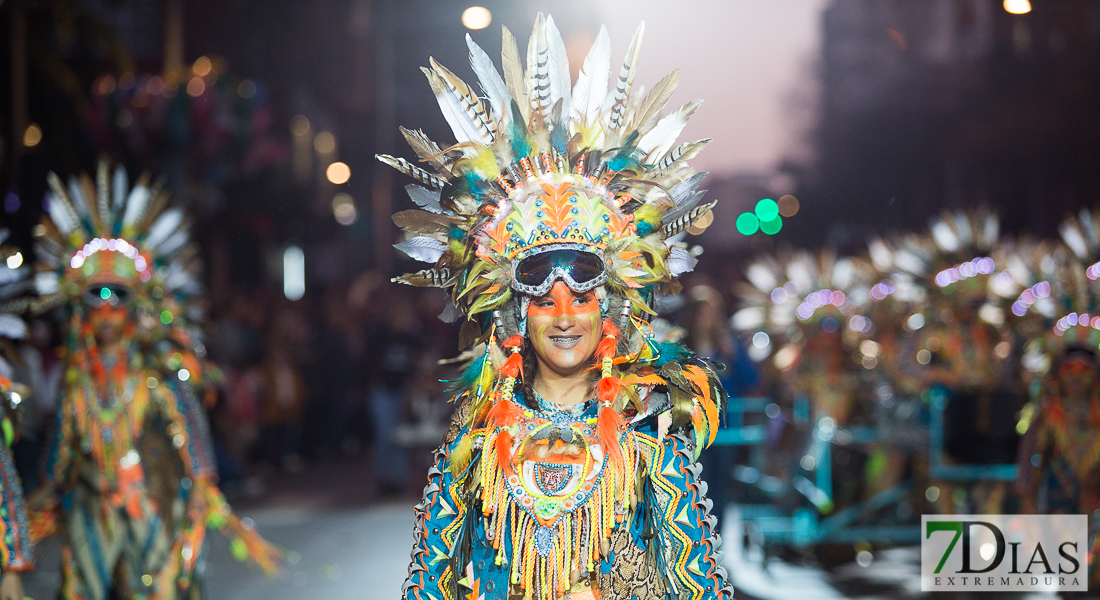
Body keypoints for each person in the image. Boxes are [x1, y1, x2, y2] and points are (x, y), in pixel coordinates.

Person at [381, 15, 733, 600]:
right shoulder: (473, 447)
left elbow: (700, 588)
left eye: (582, 298)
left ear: (610, 308)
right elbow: (427, 587)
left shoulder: (652, 441)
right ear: (517, 312)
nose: (565, 316)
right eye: (544, 300)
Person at [26, 162, 280, 600]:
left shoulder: (158, 372)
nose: (106, 308)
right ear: (78, 303)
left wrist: (202, 483)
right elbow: (62, 446)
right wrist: (39, 499)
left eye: (118, 294)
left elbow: (191, 428)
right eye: (95, 294)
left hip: (149, 498)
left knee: (156, 590)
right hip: (89, 502)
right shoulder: (75, 379)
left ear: (137, 302)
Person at [1016, 345, 1100, 587]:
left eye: (1083, 370)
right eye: (1069, 369)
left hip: (1094, 499)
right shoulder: (1048, 412)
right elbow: (1031, 456)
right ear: (1059, 374)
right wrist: (1027, 497)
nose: (1076, 376)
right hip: (1061, 497)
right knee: (1068, 561)